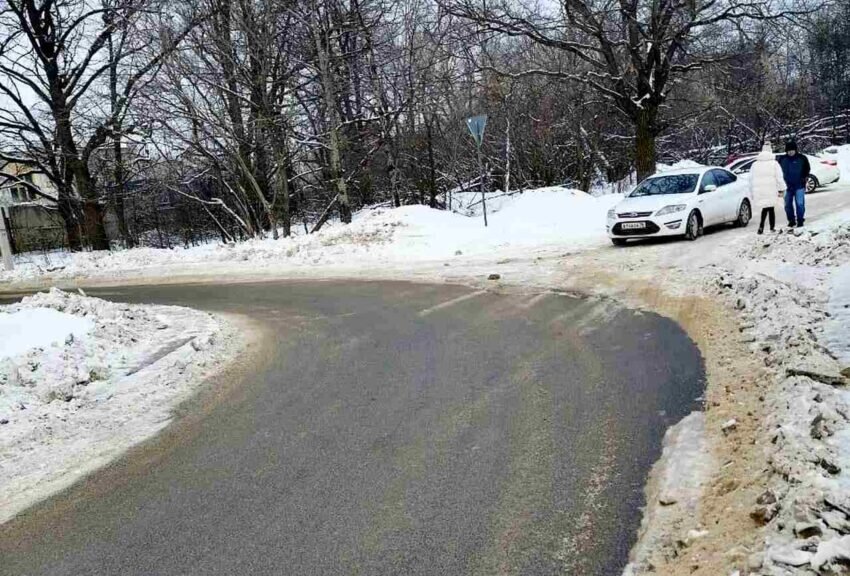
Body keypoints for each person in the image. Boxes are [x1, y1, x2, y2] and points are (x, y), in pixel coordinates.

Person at [749, 143, 784, 234]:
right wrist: (781, 189)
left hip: (760, 190)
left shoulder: (755, 164)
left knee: (765, 207)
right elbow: (779, 177)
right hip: (771, 189)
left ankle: (761, 226)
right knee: (770, 207)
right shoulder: (774, 163)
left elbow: (751, 179)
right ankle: (771, 227)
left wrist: (752, 192)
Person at [777, 140, 810, 228]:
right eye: (788, 150)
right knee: (787, 205)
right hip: (786, 186)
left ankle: (800, 220)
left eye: (792, 150)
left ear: (795, 150)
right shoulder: (782, 159)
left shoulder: (802, 158)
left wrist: (804, 178)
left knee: (800, 204)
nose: (790, 152)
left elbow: (807, 169)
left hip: (799, 185)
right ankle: (791, 220)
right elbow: (778, 172)